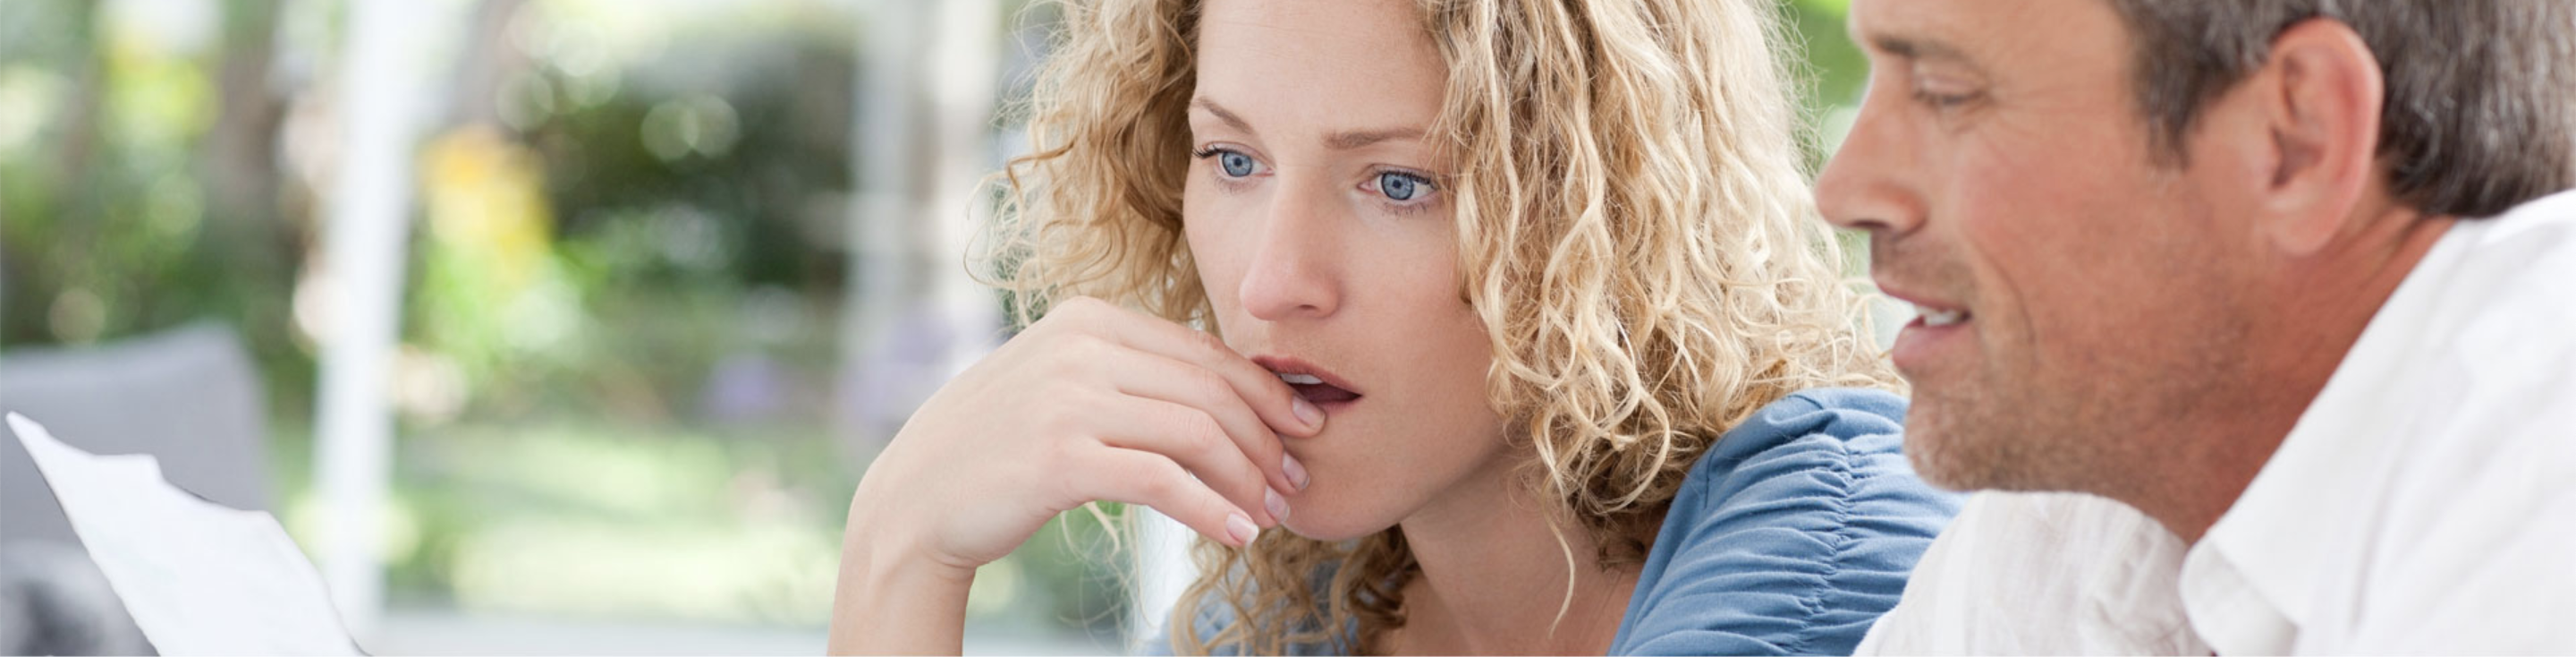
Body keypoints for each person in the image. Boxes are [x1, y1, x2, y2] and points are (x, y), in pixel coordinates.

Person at [824, 0, 1960, 653]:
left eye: (1399, 183)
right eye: (1232, 159)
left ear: (1601, 213)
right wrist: (899, 546)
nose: (1274, 282)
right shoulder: (1294, 602)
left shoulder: (1829, 530)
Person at [1816, 0, 2576, 653]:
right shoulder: (2095, 481)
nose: (1841, 192)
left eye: (1947, 93)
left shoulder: (2543, 440)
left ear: (2294, 139)